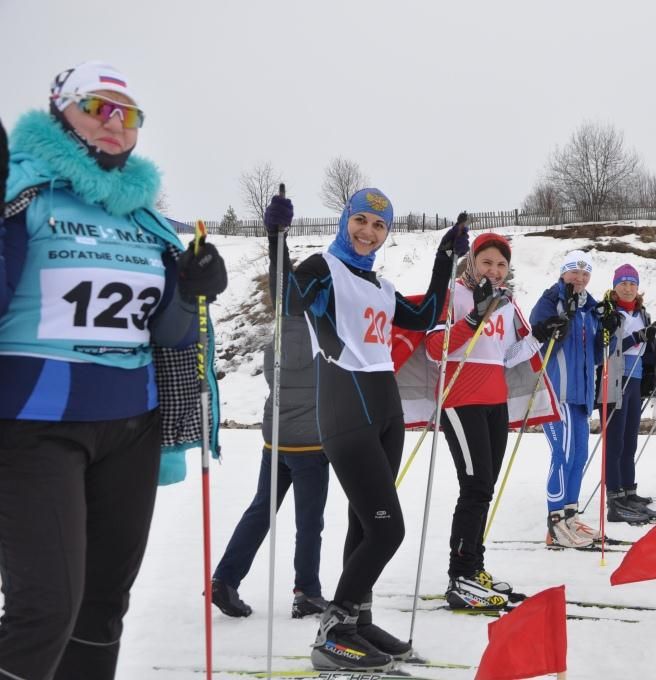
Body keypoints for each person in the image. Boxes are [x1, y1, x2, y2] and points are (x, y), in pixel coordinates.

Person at [0, 61, 226, 680]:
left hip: (133, 428)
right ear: (58, 111)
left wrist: (191, 288)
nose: (114, 123)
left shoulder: (143, 218)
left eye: (127, 114)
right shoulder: (24, 193)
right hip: (36, 426)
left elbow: (169, 334)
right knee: (45, 607)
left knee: (101, 608)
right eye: (96, 107)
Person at [280, 188, 467, 672]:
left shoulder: (381, 286)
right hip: (346, 411)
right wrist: (277, 239)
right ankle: (333, 630)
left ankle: (358, 622)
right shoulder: (324, 270)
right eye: (361, 220)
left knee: (364, 524)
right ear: (345, 221)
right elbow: (289, 299)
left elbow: (425, 316)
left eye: (379, 226)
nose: (368, 232)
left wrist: (446, 259)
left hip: (387, 413)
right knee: (388, 530)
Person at [209, 201, 331, 619]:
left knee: (262, 508)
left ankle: (225, 577)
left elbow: (282, 280)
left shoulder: (285, 321)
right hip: (311, 440)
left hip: (275, 436)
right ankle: (307, 591)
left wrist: (277, 237)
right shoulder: (323, 328)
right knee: (308, 521)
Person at [422, 233, 553, 609]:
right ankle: (460, 576)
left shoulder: (507, 304)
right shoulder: (455, 295)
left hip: (495, 402)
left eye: (501, 265)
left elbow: (506, 355)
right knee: (475, 487)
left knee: (485, 488)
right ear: (472, 263)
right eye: (487, 263)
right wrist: (475, 315)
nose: (494, 270)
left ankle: (473, 567)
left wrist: (539, 337)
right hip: (460, 400)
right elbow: (435, 349)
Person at [530, 250, 619, 548]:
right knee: (562, 455)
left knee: (579, 456)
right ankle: (554, 524)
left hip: (581, 395)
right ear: (563, 273)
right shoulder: (549, 300)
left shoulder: (589, 309)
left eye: (585, 273)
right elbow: (539, 344)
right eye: (574, 272)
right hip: (555, 392)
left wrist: (609, 331)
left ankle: (570, 516)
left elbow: (597, 354)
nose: (579, 278)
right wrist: (560, 320)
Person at [599, 264, 656, 524]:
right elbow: (605, 347)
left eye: (632, 283)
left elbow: (647, 349)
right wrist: (636, 337)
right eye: (623, 283)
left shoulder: (642, 314)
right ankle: (614, 499)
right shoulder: (607, 311)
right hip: (614, 378)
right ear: (615, 286)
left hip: (636, 378)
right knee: (615, 440)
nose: (628, 288)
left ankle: (629, 492)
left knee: (630, 440)